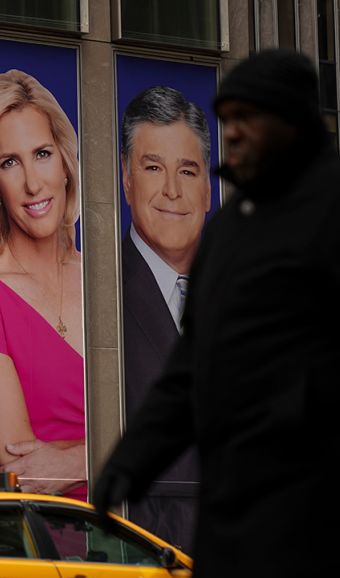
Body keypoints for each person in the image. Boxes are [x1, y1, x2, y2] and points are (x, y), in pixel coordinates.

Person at [93, 49, 340, 578]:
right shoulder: (230, 232)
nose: (232, 136)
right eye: (226, 122)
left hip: (325, 501)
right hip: (261, 506)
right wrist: (130, 462)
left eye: (246, 122)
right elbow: (189, 369)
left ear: (290, 124)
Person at [0, 69, 85, 498]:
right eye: (10, 162)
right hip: (54, 542)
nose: (33, 183)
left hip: (150, 532)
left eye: (42, 154)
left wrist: (77, 458)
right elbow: (27, 470)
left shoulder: (110, 280)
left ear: (65, 162)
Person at [118, 85, 211, 550]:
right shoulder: (99, 288)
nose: (173, 190)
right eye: (154, 168)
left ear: (208, 189)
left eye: (188, 171)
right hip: (156, 566)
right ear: (126, 178)